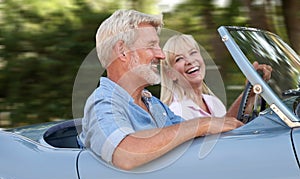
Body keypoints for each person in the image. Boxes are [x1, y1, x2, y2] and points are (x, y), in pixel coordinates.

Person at [78, 9, 243, 170]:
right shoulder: (103, 103)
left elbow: (203, 132)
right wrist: (201, 125)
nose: (161, 55)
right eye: (151, 46)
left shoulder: (153, 104)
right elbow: (124, 154)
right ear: (123, 51)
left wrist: (248, 96)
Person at [160, 34, 272, 120]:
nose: (189, 61)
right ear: (171, 74)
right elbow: (217, 139)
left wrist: (250, 92)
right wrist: (247, 93)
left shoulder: (213, 102)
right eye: (179, 59)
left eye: (193, 53)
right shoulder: (176, 111)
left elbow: (236, 129)